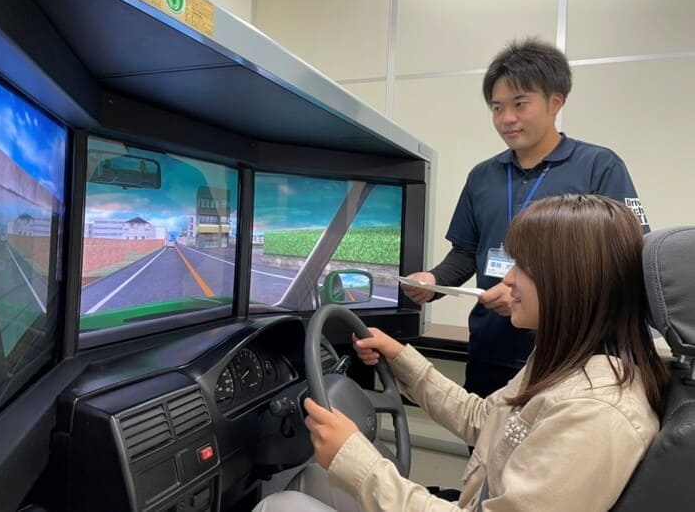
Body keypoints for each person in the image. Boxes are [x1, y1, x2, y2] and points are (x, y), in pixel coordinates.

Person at [254, 194, 669, 511]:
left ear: (570, 283)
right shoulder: (569, 364)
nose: (508, 279)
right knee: (310, 480)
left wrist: (355, 459)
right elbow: (484, 419)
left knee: (279, 506)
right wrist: (401, 358)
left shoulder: (596, 413)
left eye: (524, 267)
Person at [402, 38, 650, 399]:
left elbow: (621, 261)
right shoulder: (482, 176)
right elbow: (467, 252)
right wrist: (433, 280)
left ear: (555, 102)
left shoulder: (599, 167)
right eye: (497, 107)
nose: (507, 119)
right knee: (481, 432)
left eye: (520, 104)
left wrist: (536, 294)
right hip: (492, 349)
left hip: (572, 357)